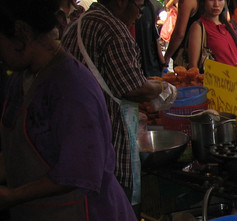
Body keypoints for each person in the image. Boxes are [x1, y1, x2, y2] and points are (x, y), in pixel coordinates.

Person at [0, 0, 137, 221]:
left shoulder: (72, 87)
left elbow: (79, 171)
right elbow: (17, 150)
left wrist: (13, 195)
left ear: (21, 33)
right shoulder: (21, 79)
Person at [62, 0, 173, 203]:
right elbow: (133, 88)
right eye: (138, 7)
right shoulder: (112, 29)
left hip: (76, 142)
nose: (139, 14)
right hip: (108, 139)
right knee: (116, 208)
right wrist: (162, 88)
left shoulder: (77, 24)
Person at [187, 0, 237, 70]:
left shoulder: (228, 26)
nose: (216, 4)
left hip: (236, 77)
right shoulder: (198, 27)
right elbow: (193, 66)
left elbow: (230, 56)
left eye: (220, 0)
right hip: (215, 79)